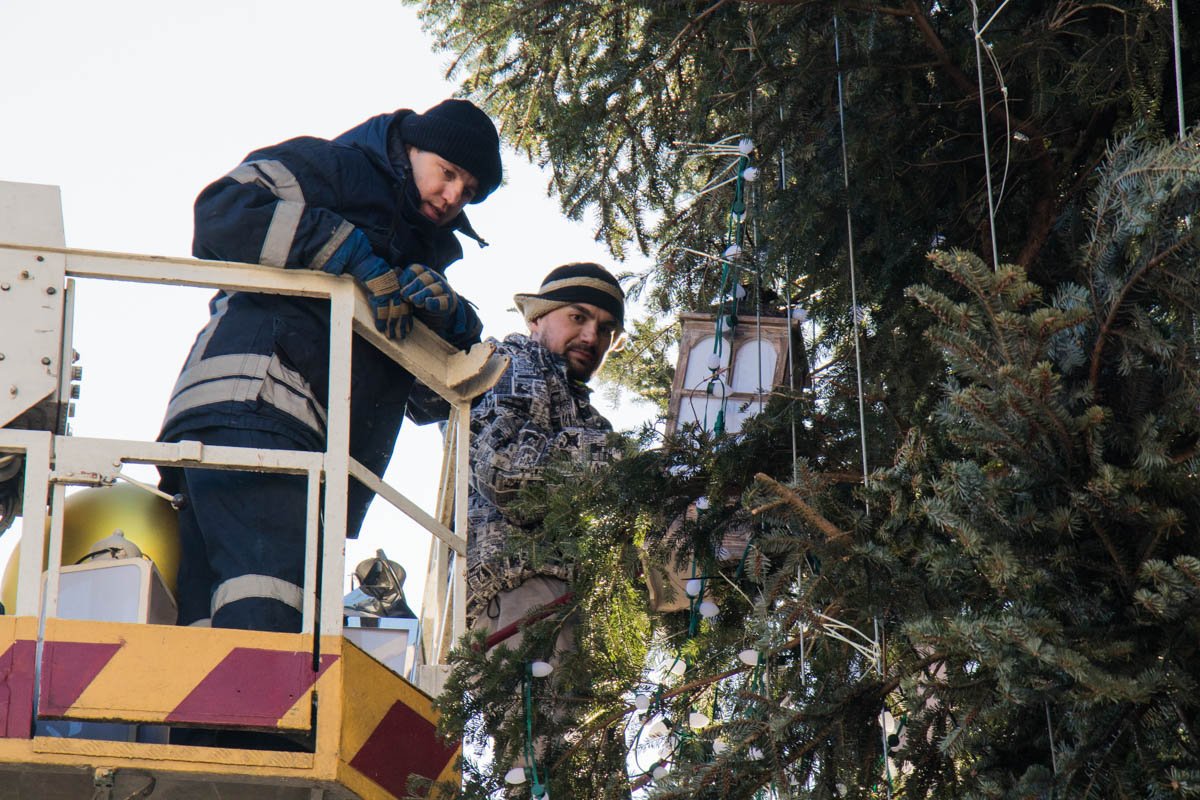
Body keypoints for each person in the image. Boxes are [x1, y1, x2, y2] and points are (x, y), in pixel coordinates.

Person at [159, 99, 503, 633]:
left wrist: (451, 323)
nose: (454, 196)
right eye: (449, 172)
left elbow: (424, 402)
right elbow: (221, 212)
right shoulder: (336, 168)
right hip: (259, 401)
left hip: (285, 433)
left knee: (212, 624)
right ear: (412, 147)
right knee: (271, 614)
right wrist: (351, 256)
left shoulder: (422, 249)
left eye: (470, 191)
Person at [467, 262, 625, 659]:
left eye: (606, 328)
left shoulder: (578, 407)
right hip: (520, 590)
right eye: (578, 317)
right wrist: (617, 456)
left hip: (562, 598)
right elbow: (506, 473)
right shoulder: (513, 364)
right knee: (533, 700)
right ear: (537, 318)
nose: (591, 336)